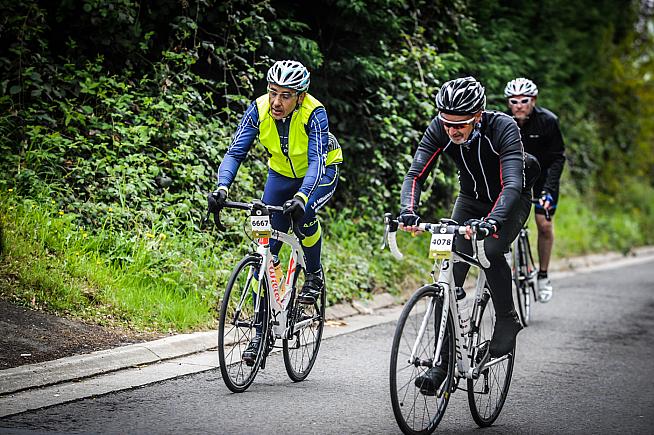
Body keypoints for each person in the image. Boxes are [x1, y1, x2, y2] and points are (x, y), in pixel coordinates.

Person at [398, 76, 539, 395]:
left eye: (460, 124)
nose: (452, 130)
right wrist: (408, 210)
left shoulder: (502, 127)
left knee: (489, 249)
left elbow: (512, 185)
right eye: (447, 123)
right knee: (447, 272)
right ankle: (442, 364)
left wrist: (492, 222)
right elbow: (415, 174)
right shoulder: (439, 128)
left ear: (478, 115)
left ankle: (507, 318)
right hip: (470, 199)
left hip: (510, 199)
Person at [207, 60, 343, 365]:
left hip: (320, 172)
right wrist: (222, 187)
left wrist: (302, 196)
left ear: (300, 96)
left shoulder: (314, 112)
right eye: (272, 92)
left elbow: (316, 161)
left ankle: (314, 275)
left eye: (285, 95)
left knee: (303, 214)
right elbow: (236, 151)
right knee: (266, 248)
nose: (276, 102)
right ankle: (260, 333)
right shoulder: (259, 108)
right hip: (280, 175)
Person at [504, 78, 566, 303]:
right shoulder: (502, 121)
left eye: (524, 100)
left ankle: (543, 275)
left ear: (534, 100)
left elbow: (558, 158)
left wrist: (548, 190)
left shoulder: (548, 121)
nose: (519, 106)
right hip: (515, 178)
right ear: (508, 103)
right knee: (503, 221)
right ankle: (508, 268)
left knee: (544, 223)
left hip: (543, 179)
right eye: (514, 101)